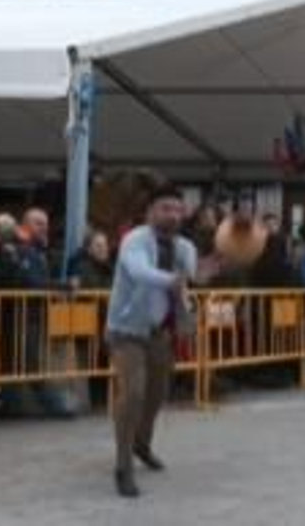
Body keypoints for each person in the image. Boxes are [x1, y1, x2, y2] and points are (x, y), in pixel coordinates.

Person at [107, 185, 200, 499]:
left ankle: (141, 445)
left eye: (177, 209)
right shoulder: (135, 240)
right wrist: (172, 280)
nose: (172, 215)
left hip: (160, 332)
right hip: (126, 331)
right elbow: (139, 271)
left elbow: (186, 286)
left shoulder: (185, 247)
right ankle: (123, 467)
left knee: (156, 395)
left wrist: (187, 315)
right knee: (132, 393)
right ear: (150, 212)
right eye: (165, 208)